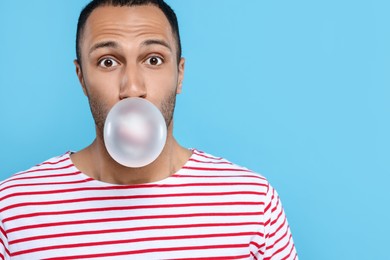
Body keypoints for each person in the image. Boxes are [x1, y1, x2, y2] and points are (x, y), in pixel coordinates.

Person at [0, 0, 298, 259]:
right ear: (81, 78)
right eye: (107, 61)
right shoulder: (14, 208)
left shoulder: (251, 202)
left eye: (153, 60)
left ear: (179, 74)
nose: (132, 87)